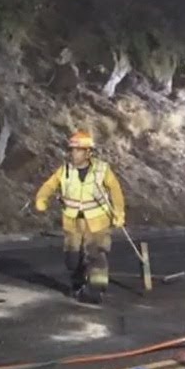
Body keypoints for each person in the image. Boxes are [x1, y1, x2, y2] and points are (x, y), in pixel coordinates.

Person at [33, 130, 126, 304]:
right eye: (72, 150)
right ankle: (78, 283)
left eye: (78, 150)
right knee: (72, 259)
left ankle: (96, 291)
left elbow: (115, 190)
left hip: (97, 221)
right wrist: (41, 198)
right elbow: (49, 185)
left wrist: (119, 212)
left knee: (97, 254)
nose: (74, 154)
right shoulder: (65, 171)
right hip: (72, 222)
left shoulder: (101, 170)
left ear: (88, 152)